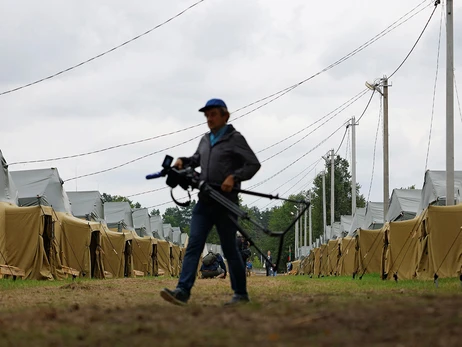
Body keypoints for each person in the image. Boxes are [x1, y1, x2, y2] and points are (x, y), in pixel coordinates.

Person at [160, 98, 261, 306]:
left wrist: (234, 177)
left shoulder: (235, 139)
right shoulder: (205, 140)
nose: (209, 119)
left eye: (213, 114)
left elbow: (253, 164)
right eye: (207, 115)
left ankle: (240, 294)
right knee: (194, 244)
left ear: (225, 116)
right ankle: (182, 291)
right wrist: (183, 161)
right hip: (204, 201)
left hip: (226, 202)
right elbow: (196, 159)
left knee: (230, 249)